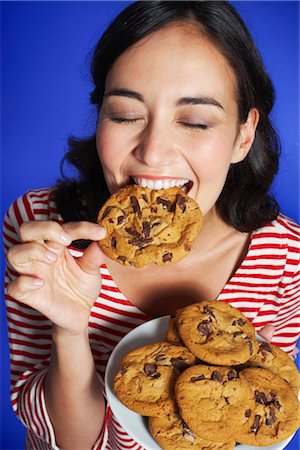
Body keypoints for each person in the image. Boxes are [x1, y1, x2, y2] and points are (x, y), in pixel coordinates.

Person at [3, 1, 299, 449]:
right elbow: (70, 442)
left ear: (243, 134)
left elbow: (252, 425)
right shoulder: (40, 228)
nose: (154, 152)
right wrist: (69, 330)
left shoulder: (287, 256)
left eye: (196, 121)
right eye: (124, 114)